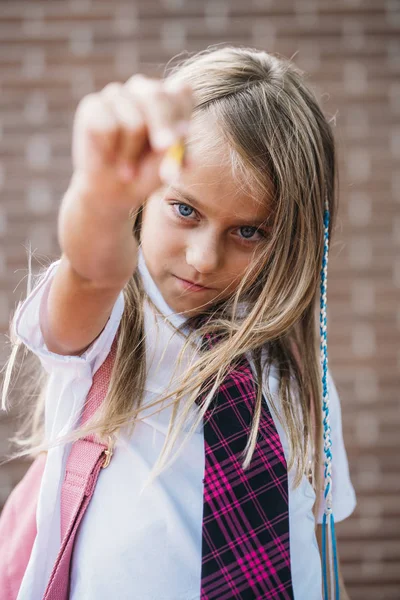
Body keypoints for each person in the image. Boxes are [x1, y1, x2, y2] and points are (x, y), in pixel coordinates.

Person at [3, 45, 356, 600]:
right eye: (185, 210)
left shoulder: (302, 377)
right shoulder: (109, 325)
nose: (203, 258)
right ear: (144, 196)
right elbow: (92, 271)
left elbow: (314, 543)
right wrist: (99, 195)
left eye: (249, 232)